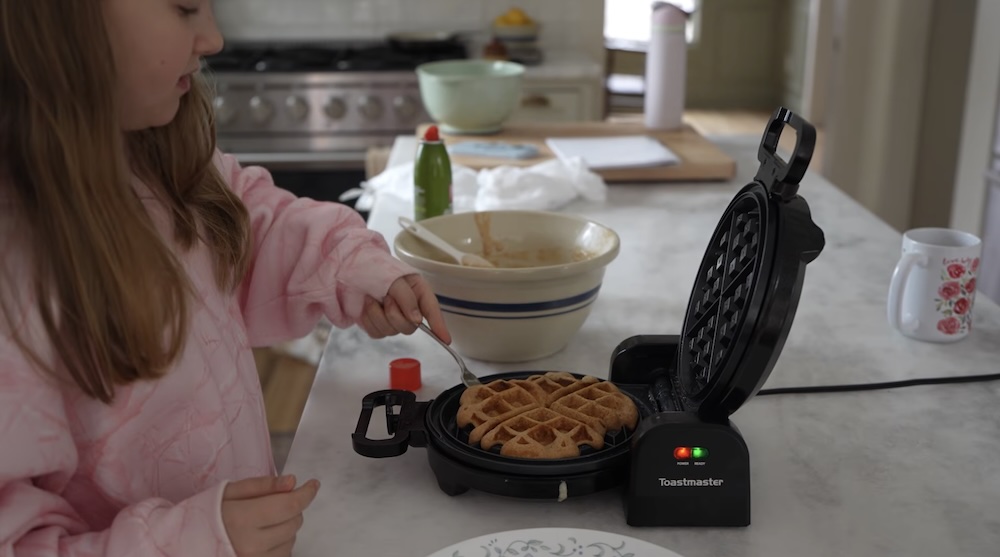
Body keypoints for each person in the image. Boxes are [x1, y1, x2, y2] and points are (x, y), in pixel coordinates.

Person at [0, 1, 451, 555]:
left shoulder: (159, 155)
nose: (212, 39)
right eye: (186, 7)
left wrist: (347, 261)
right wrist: (187, 543)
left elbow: (249, 223)